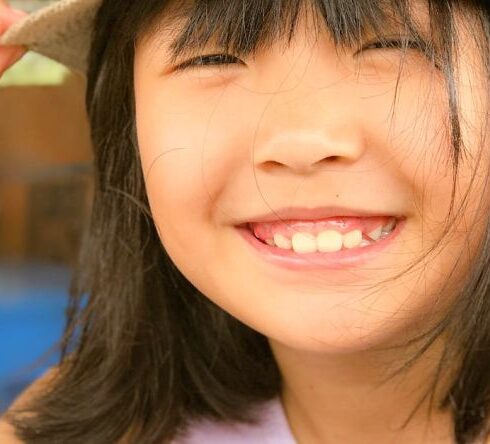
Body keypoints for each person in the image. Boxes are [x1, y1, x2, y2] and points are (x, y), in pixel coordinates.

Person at [1, 0, 490, 443]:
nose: (302, 142)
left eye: (395, 43)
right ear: (126, 127)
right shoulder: (81, 431)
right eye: (211, 58)